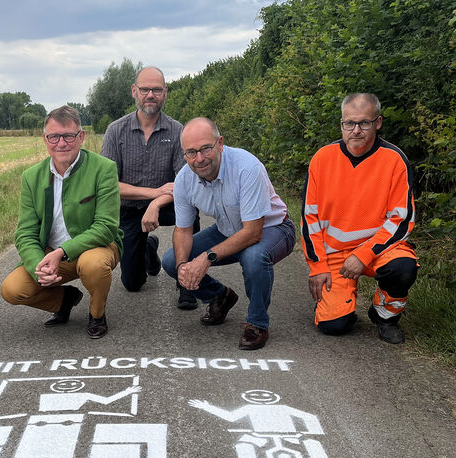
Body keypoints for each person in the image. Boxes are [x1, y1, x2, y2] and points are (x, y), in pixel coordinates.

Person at [162, 118, 296, 350]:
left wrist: (205, 258)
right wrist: (185, 267)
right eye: (191, 152)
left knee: (253, 256)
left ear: (220, 143)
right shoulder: (184, 178)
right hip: (229, 230)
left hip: (272, 229)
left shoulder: (247, 167)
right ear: (184, 155)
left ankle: (257, 323)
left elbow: (253, 232)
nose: (199, 158)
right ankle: (220, 296)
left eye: (206, 148)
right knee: (172, 260)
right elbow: (183, 230)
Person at [301, 93, 417, 344]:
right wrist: (317, 266)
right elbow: (309, 218)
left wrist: (363, 254)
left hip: (378, 250)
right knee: (334, 326)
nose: (356, 130)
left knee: (403, 268)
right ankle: (340, 307)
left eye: (364, 123)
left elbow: (402, 220)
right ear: (341, 123)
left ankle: (384, 315)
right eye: (349, 123)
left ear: (378, 123)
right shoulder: (322, 159)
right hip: (335, 254)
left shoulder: (395, 159)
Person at [0, 106, 123, 339]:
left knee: (93, 266)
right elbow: (25, 233)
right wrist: (40, 266)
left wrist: (62, 252)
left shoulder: (104, 169)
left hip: (95, 248)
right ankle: (63, 301)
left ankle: (97, 314)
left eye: (69, 136)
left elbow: (106, 227)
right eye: (53, 136)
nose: (61, 143)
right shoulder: (31, 177)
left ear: (81, 137)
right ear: (45, 139)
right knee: (12, 290)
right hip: (51, 253)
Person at [101, 66, 199, 307]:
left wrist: (156, 202)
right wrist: (153, 193)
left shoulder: (178, 131)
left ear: (165, 92)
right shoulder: (116, 131)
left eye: (156, 90)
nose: (150, 95)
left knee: (192, 212)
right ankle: (148, 247)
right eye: (145, 89)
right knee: (132, 284)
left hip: (169, 204)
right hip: (130, 209)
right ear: (134, 91)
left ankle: (186, 281)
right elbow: (108, 186)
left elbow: (185, 183)